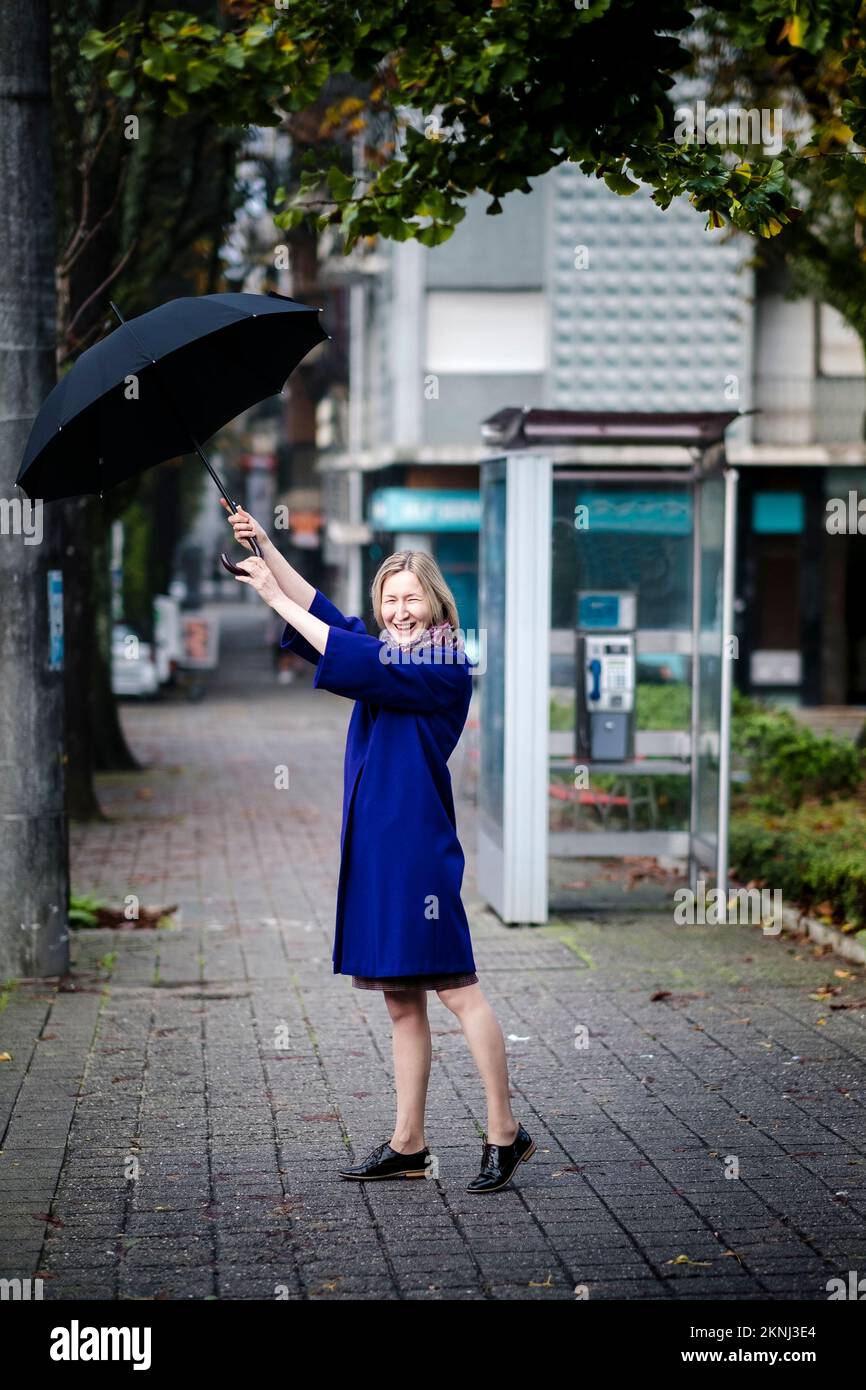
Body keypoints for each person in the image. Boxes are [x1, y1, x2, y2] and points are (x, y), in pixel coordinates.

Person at [221, 499, 535, 1194]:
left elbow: (336, 643)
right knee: (400, 1000)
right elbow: (328, 617)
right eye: (390, 599)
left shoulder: (444, 663)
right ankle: (408, 1144)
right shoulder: (388, 653)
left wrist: (269, 593)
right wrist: (267, 549)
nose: (399, 609)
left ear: (436, 603)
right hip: (377, 850)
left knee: (457, 989)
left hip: (417, 853)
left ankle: (505, 1132)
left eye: (411, 597)